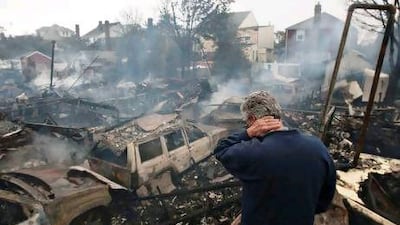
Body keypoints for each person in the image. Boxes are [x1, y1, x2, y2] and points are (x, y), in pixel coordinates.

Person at [214, 91, 336, 225]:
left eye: (247, 123)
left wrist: (248, 132)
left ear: (253, 120)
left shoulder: (251, 152)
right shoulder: (317, 147)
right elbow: (325, 198)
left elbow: (221, 149)